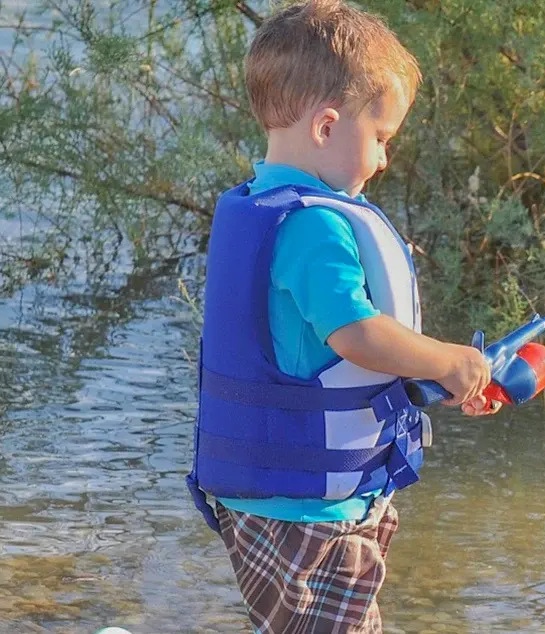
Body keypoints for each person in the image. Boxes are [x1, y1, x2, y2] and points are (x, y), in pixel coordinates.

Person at [184, 2, 498, 632]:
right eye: (381, 137)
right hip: (304, 512)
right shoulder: (312, 226)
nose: (384, 159)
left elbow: (320, 360)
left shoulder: (261, 204)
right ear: (327, 126)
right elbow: (353, 334)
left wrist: (438, 381)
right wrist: (446, 358)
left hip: (287, 497)